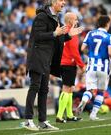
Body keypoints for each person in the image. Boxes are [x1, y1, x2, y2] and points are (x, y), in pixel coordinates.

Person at [23, 0, 83, 131]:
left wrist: (68, 36)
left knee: (44, 90)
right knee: (34, 87)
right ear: (54, 2)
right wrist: (55, 33)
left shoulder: (56, 18)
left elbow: (59, 37)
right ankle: (28, 120)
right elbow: (37, 36)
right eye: (61, 1)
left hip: (47, 59)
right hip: (37, 56)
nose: (64, 3)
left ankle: (42, 121)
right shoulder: (42, 16)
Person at [75, 15, 111, 120]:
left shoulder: (90, 33)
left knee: (90, 90)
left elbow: (82, 48)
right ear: (107, 24)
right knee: (101, 91)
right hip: (103, 67)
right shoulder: (109, 36)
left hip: (91, 67)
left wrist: (90, 55)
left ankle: (83, 101)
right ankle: (93, 114)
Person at [56, 12, 85, 123]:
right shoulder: (71, 32)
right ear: (70, 21)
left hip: (66, 62)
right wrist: (81, 65)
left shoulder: (65, 30)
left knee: (70, 89)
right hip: (68, 63)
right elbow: (74, 51)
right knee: (66, 88)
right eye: (75, 19)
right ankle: (59, 116)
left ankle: (69, 115)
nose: (77, 21)